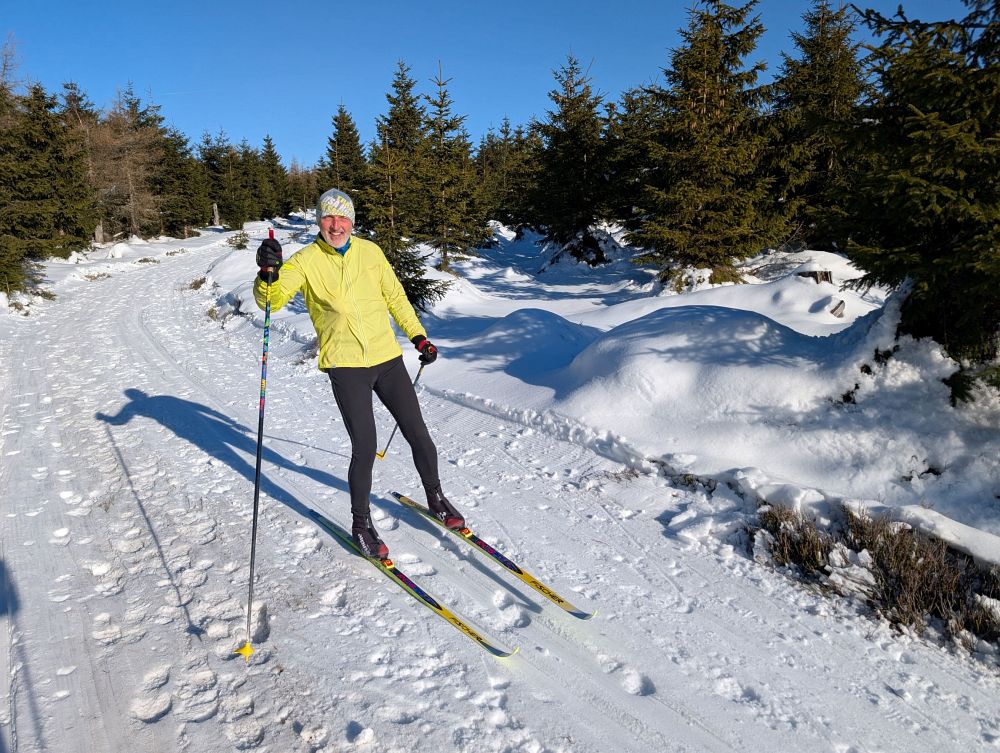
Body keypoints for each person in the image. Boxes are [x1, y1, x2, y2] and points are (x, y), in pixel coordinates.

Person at [253, 188, 464, 559]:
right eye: (328, 219)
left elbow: (395, 297)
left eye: (342, 218)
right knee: (365, 446)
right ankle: (361, 523)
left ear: (352, 220)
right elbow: (271, 300)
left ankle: (436, 497)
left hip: (387, 358)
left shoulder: (371, 253)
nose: (336, 226)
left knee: (418, 433)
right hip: (346, 365)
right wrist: (267, 272)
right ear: (319, 222)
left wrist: (418, 337)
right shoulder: (304, 261)